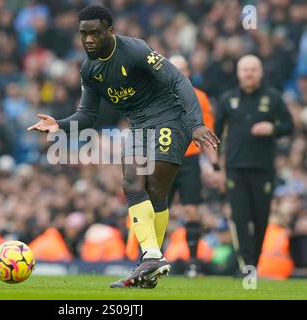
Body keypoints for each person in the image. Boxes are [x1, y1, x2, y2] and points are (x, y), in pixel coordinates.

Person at [27, 5, 219, 289]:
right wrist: (60, 124)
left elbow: (179, 80)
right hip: (140, 124)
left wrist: (196, 124)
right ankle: (151, 259)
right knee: (131, 181)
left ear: (110, 31)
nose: (88, 39)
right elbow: (88, 114)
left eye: (94, 33)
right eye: (83, 34)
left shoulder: (136, 51)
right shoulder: (89, 69)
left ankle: (150, 260)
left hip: (171, 117)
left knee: (155, 185)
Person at [215, 55, 294, 275]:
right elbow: (216, 134)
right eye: (245, 70)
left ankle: (254, 263)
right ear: (239, 73)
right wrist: (216, 166)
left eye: (253, 69)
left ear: (260, 72)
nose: (249, 73)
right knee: (240, 218)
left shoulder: (273, 97)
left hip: (263, 169)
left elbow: (288, 126)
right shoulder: (227, 99)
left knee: (260, 219)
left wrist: (273, 128)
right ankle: (247, 265)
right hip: (235, 169)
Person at [166, 55, 221, 278]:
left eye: (182, 69)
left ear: (188, 71)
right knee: (158, 211)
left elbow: (207, 132)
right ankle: (149, 259)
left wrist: (215, 165)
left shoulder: (200, 98)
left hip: (189, 159)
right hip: (164, 159)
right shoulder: (156, 96)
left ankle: (193, 262)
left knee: (192, 210)